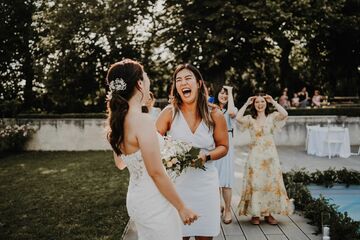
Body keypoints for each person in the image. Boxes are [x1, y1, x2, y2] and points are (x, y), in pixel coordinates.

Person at [106, 59, 198, 240]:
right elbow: (156, 172)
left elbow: (121, 163)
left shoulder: (118, 122)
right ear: (140, 84)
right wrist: (182, 207)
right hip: (154, 201)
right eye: (146, 78)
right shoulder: (142, 121)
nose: (148, 82)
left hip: (136, 199)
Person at [156, 64, 229, 240]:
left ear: (198, 83)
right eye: (178, 80)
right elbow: (153, 144)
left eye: (188, 78)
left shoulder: (214, 114)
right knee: (178, 235)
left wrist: (207, 156)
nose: (183, 83)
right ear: (176, 87)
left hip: (205, 184)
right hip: (177, 186)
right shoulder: (169, 113)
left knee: (205, 234)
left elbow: (224, 147)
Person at [236, 93, 294, 225]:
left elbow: (284, 113)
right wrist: (246, 103)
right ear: (254, 104)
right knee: (256, 184)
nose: (260, 104)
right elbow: (238, 118)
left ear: (266, 103)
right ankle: (255, 214)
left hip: (270, 157)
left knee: (270, 184)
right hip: (255, 157)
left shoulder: (272, 117)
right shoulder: (250, 119)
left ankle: (269, 214)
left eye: (262, 102)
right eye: (257, 102)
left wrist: (273, 101)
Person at [213, 86, 238, 224]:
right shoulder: (212, 109)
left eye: (226, 94)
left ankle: (228, 209)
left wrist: (230, 92)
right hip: (213, 144)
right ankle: (218, 206)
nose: (224, 95)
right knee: (214, 178)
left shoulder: (232, 109)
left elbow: (232, 113)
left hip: (227, 143)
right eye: (222, 93)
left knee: (226, 180)